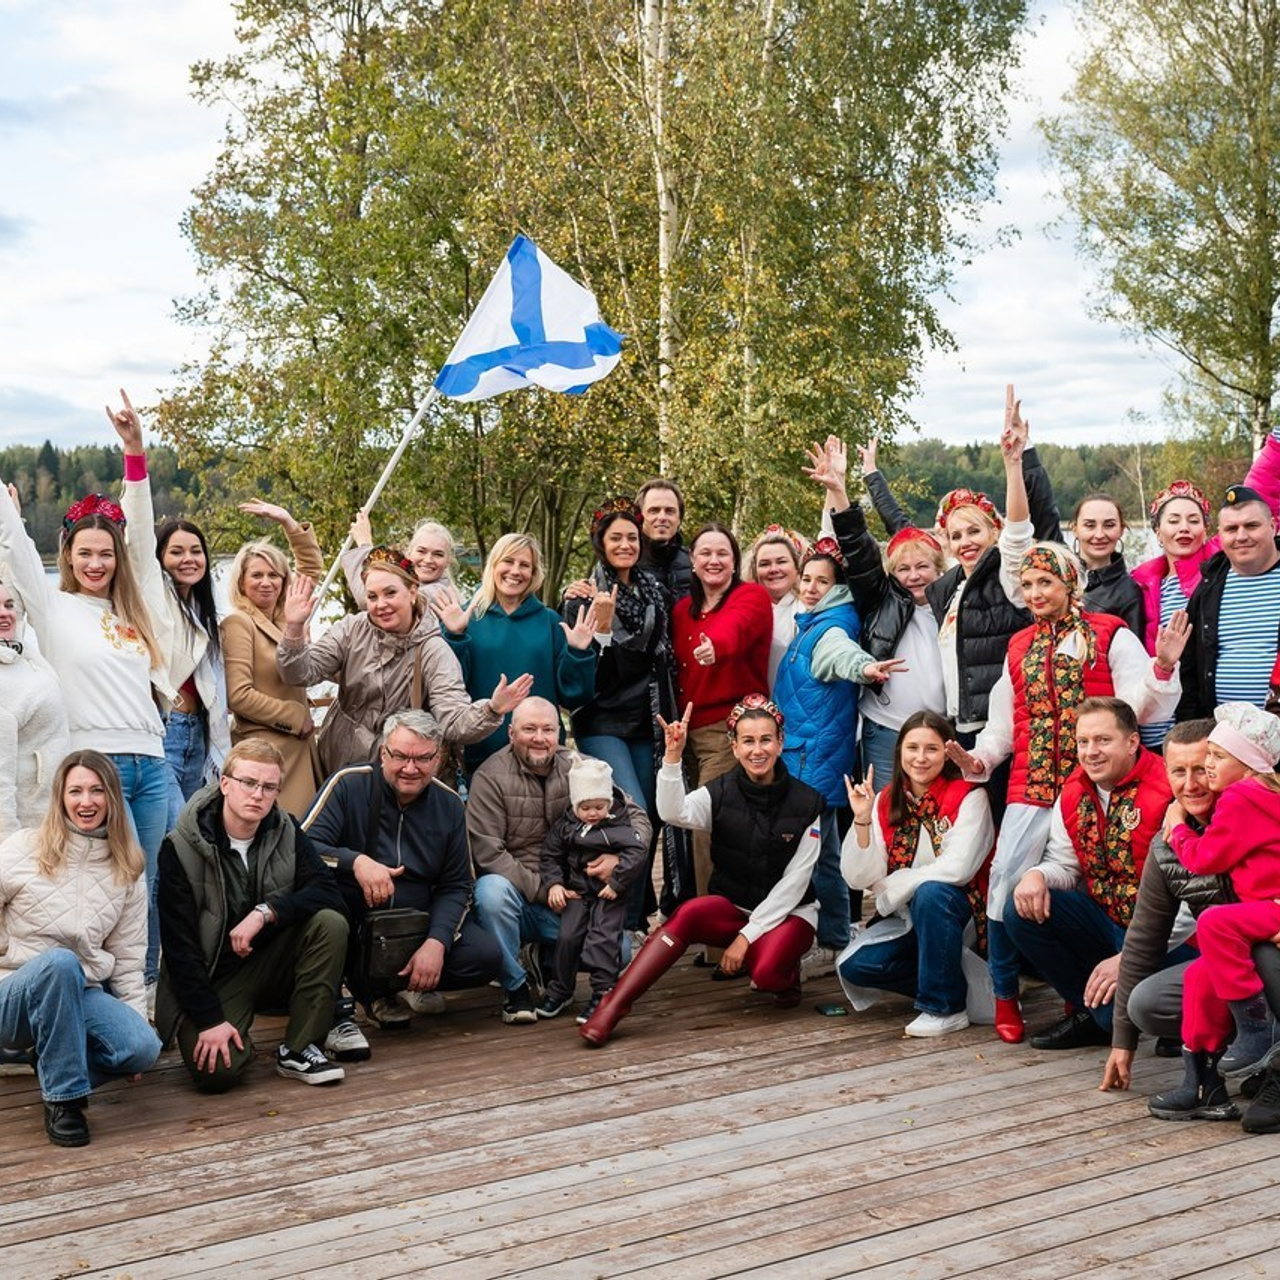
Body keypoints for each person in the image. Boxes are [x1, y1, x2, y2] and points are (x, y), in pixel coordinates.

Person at [946, 530, 1187, 1044]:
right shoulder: (1019, 646)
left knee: (1100, 880)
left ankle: (1099, 998)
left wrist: (1162, 667)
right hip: (1032, 784)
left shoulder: (1108, 633)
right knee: (1011, 885)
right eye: (1028, 583)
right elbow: (1003, 722)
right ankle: (1007, 993)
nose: (1035, 593)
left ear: (1070, 582)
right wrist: (980, 757)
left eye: (1046, 581)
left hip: (1096, 780)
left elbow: (1135, 709)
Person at [0, 392, 177, 987]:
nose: (97, 562)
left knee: (146, 887)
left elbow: (144, 536)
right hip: (97, 767)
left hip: (154, 765)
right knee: (103, 883)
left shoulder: (136, 608)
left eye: (107, 553)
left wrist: (134, 455)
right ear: (68, 556)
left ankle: (144, 991)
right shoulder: (51, 607)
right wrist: (7, 510)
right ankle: (91, 993)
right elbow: (18, 556)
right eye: (86, 553)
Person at [580, 696, 824, 1047]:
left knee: (767, 974)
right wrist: (673, 759)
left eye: (766, 739)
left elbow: (796, 883)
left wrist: (746, 938)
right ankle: (612, 1005)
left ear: (780, 742)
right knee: (688, 913)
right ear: (734, 746)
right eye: (749, 741)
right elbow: (672, 812)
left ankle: (786, 972)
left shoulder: (808, 802)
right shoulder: (719, 792)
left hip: (791, 914)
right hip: (735, 906)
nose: (758, 750)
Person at [155, 737, 349, 1090]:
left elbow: (329, 893)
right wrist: (210, 1018)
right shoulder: (180, 847)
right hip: (211, 979)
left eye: (268, 787)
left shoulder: (285, 830)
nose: (257, 794)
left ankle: (299, 1046)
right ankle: (230, 1025)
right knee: (217, 1075)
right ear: (225, 784)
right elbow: (179, 948)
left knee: (330, 924)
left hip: (269, 962)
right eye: (248, 783)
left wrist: (267, 912)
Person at [302, 710, 503, 1050]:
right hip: (355, 916)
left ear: (437, 759)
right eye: (400, 756)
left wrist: (437, 943)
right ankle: (346, 1006)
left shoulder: (450, 804)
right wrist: (357, 862)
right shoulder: (349, 784)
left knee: (483, 956)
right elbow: (303, 846)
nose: (411, 768)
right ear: (384, 753)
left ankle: (396, 986)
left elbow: (458, 885)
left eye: (423, 758)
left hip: (412, 922)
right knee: (321, 908)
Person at [1002, 698, 1189, 1050]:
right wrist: (1038, 876)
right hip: (1110, 922)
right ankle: (1091, 1007)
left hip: (1171, 937)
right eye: (1083, 742)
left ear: (1132, 742)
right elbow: (1064, 864)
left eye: (1103, 740)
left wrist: (1131, 956)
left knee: (1122, 1012)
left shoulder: (1171, 790)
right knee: (1020, 908)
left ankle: (1168, 1016)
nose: (1091, 752)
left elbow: (1193, 903)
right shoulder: (1074, 790)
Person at [0, 751, 161, 1146]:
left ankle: (56, 1062)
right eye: (75, 791)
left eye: (96, 790)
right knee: (58, 963)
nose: (86, 801)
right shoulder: (24, 847)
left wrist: (136, 1018)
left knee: (141, 1048)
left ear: (112, 798)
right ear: (60, 797)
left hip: (79, 992)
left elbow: (127, 957)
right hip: (11, 992)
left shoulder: (126, 865)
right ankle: (64, 1102)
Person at [468, 698, 651, 1024]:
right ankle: (516, 986)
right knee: (490, 892)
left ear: (559, 734)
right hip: (522, 900)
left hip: (576, 897)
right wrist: (546, 889)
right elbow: (489, 855)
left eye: (548, 729)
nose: (539, 737)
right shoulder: (490, 777)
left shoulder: (581, 767)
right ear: (511, 733)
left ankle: (548, 962)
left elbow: (636, 817)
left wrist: (618, 861)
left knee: (620, 950)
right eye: (529, 729)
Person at [279, 550, 530, 775]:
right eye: (372, 596)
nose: (381, 605)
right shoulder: (352, 629)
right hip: (335, 762)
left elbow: (453, 722)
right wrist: (293, 627)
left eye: (390, 593)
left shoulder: (434, 651)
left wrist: (492, 709)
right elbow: (300, 674)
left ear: (412, 592)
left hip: (401, 773)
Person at [773, 538, 904, 966]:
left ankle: (833, 939)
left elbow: (841, 655)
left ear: (839, 586)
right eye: (807, 578)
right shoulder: (811, 621)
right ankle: (832, 930)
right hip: (807, 753)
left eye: (822, 581)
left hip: (813, 759)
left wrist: (865, 667)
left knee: (819, 853)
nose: (810, 587)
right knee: (818, 850)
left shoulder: (831, 626)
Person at [1150, 703, 1280, 1121]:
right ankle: (1203, 1084)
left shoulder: (1241, 798)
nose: (1207, 768)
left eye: (1217, 758)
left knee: (1212, 923)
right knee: (1199, 976)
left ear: (1247, 764)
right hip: (1262, 912)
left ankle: (1255, 1028)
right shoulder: (1260, 794)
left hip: (1271, 910)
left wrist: (1179, 829)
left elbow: (1206, 858)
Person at [839, 711, 994, 1037]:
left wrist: (896, 883)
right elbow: (858, 877)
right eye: (912, 748)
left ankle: (943, 1007)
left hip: (959, 913)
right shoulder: (885, 800)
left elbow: (959, 868)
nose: (920, 758)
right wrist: (862, 821)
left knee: (932, 892)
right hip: (908, 917)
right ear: (899, 753)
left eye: (931, 749)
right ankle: (956, 985)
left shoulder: (969, 795)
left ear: (947, 753)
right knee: (858, 966)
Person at [561, 498, 678, 932]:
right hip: (602, 718)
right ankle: (620, 922)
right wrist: (604, 634)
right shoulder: (582, 598)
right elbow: (583, 672)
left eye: (632, 536)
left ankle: (633, 915)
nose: (626, 544)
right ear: (600, 543)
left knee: (653, 820)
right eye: (616, 538)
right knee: (634, 813)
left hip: (647, 718)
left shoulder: (652, 590)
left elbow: (660, 651)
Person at [805, 436, 947, 786]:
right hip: (887, 728)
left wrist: (873, 475)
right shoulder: (883, 598)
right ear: (892, 573)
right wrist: (838, 491)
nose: (913, 575)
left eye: (922, 567)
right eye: (903, 569)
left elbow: (899, 521)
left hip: (942, 730)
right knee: (887, 817)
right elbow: (857, 545)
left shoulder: (955, 600)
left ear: (940, 568)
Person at [430, 532, 597, 776]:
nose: (515, 571)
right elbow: (452, 689)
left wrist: (578, 653)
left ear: (534, 573)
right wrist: (454, 636)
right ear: (494, 565)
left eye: (524, 565)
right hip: (482, 752)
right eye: (508, 561)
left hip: (541, 754)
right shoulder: (465, 618)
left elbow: (573, 696)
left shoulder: (550, 622)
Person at [672, 523, 773, 900]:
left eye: (723, 554)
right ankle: (702, 918)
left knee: (707, 826)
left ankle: (720, 937)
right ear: (693, 563)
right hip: (686, 737)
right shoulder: (683, 610)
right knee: (694, 825)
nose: (714, 560)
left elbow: (737, 627)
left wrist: (715, 645)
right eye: (705, 554)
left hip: (728, 731)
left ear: (734, 562)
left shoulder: (751, 597)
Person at [1129, 422, 1280, 660]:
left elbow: (1258, 493)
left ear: (1206, 529)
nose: (1184, 528)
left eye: (1193, 520)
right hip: (1163, 687)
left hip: (1211, 688)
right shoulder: (1141, 583)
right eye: (1174, 521)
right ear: (1157, 531)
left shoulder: (1223, 561)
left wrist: (1276, 444)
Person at [220, 501, 326, 817]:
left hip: (301, 749)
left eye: (274, 575)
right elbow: (238, 695)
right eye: (256, 575)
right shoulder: (239, 623)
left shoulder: (287, 619)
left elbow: (310, 569)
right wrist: (295, 716)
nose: (266, 582)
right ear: (241, 581)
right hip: (265, 752)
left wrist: (289, 522)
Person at [537, 755, 647, 1025]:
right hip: (576, 892)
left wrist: (617, 882)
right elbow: (549, 855)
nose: (593, 813)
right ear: (576, 805)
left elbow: (637, 852)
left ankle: (602, 991)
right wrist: (555, 883)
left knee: (602, 939)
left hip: (609, 894)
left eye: (600, 806)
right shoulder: (566, 826)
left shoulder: (617, 827)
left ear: (608, 803)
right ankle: (560, 989)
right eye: (586, 807)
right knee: (567, 938)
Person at [1176, 483, 1280, 720]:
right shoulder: (1207, 589)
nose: (1241, 536)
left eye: (1251, 526)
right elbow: (1190, 669)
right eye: (1231, 529)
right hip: (1222, 737)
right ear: (1220, 534)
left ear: (1273, 526)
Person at [155, 517, 231, 819]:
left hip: (199, 729)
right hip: (166, 729)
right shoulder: (156, 606)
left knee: (192, 828)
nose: (188, 559)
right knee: (172, 825)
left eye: (196, 551)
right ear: (159, 557)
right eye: (176, 552)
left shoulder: (204, 613)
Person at [0, 572, 70, 839]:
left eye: (8, 605)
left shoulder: (25, 655)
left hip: (54, 815)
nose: (5, 613)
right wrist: (7, 851)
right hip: (27, 829)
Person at [342, 510, 458, 608]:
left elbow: (369, 600)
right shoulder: (402, 582)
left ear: (447, 562)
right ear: (409, 554)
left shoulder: (439, 594)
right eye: (421, 551)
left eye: (438, 554)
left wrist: (364, 544)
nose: (428, 560)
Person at [1069, 493, 1145, 635]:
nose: (1099, 535)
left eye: (1109, 525)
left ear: (1121, 530)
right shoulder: (1057, 577)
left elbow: (1133, 653)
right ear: (1075, 529)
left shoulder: (1128, 592)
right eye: (1090, 525)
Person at [743, 524, 808, 688]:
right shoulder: (743, 610)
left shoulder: (810, 608)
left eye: (781, 561)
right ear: (754, 571)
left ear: (797, 566)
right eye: (764, 564)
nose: (773, 569)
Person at [635, 478, 691, 599]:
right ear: (639, 517)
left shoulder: (695, 563)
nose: (662, 517)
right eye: (654, 511)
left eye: (669, 511)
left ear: (679, 519)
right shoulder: (624, 563)